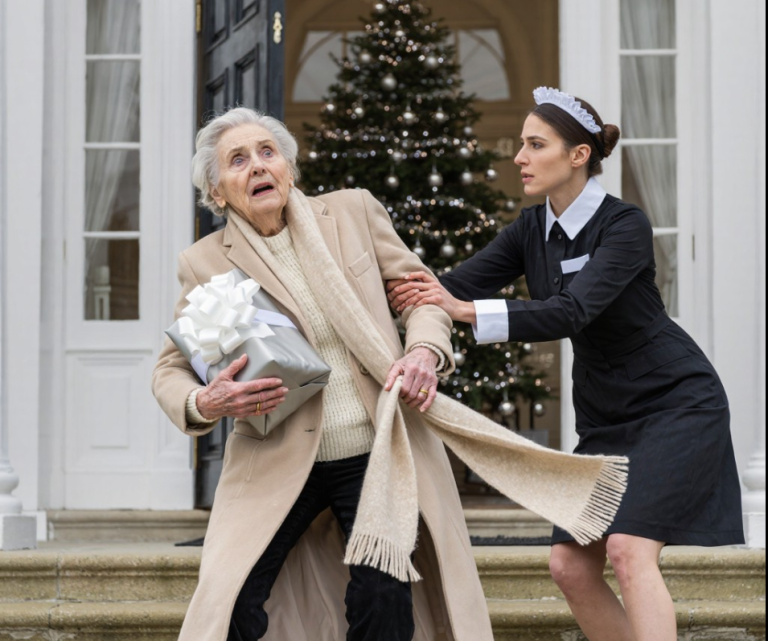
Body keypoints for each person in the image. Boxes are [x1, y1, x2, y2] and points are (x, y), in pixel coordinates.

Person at [386, 87, 744, 641]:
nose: (520, 157)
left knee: (627, 549)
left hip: (676, 402)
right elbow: (451, 286)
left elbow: (571, 311)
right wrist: (384, 292)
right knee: (570, 567)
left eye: (535, 144)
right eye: (523, 145)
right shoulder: (531, 228)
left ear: (578, 155)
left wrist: (463, 311)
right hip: (606, 415)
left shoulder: (625, 225)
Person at [152, 108, 496, 641]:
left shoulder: (353, 212)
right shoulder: (204, 263)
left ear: (289, 167)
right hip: (278, 457)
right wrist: (207, 402)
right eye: (238, 160)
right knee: (233, 595)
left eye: (268, 152)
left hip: (376, 448)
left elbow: (421, 298)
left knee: (382, 594)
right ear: (217, 192)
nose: (258, 166)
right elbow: (171, 369)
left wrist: (425, 350)